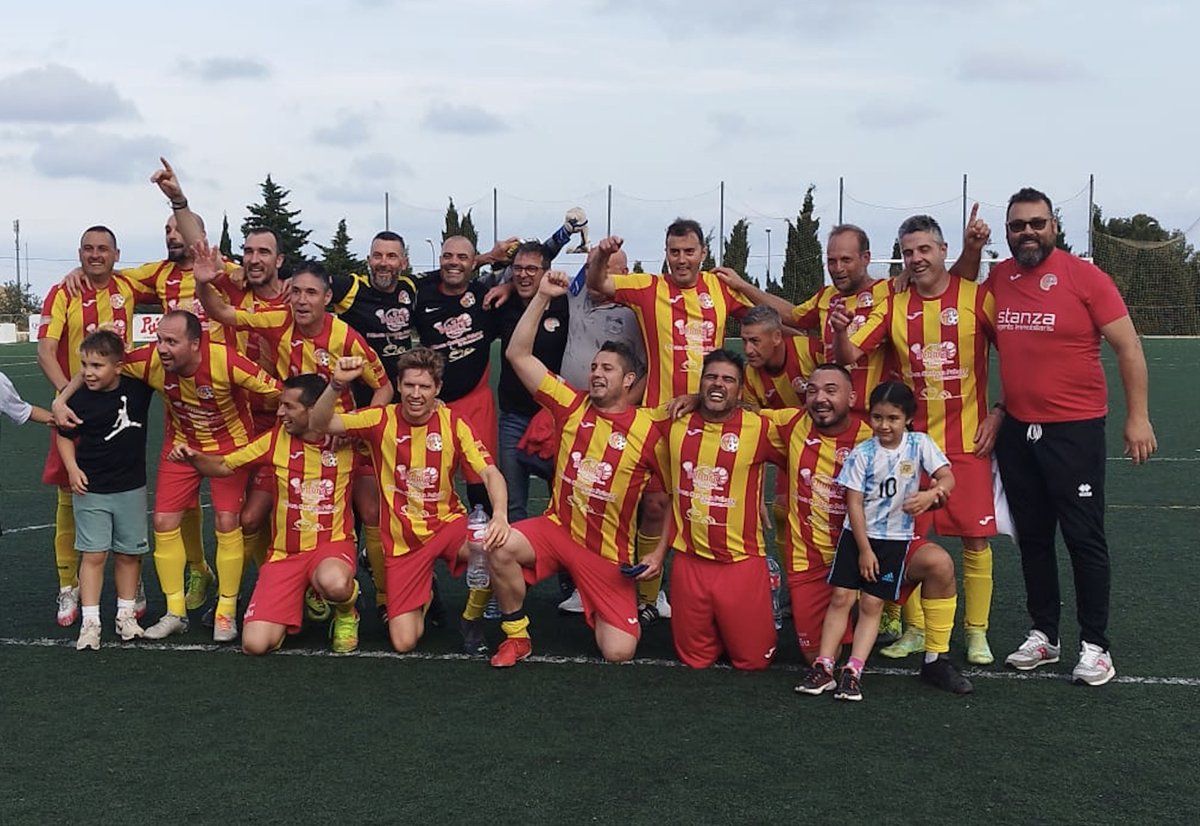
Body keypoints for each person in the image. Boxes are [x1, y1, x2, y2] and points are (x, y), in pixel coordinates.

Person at [991, 187, 1156, 686]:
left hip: (1075, 430)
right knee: (1033, 538)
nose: (1028, 232)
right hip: (1019, 431)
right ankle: (1045, 634)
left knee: (1084, 538)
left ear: (1054, 227)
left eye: (1037, 223)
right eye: (1018, 225)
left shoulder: (1085, 277)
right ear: (1007, 231)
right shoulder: (999, 277)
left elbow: (1128, 347)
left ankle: (1096, 645)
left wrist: (1138, 418)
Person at [833, 214, 1003, 666]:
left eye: (924, 249)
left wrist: (1000, 412)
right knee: (901, 539)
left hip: (966, 442)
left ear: (943, 250)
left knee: (974, 540)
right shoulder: (893, 307)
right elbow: (850, 353)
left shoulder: (976, 297)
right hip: (906, 450)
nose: (916, 258)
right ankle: (914, 628)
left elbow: (1021, 355)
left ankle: (976, 633)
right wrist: (838, 328)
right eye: (908, 252)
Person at [55, 310, 283, 642]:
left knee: (226, 521)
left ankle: (226, 611)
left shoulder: (228, 361)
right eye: (159, 339)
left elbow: (282, 394)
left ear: (195, 344)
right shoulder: (151, 361)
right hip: (180, 447)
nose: (161, 348)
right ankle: (175, 612)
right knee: (162, 522)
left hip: (228, 449)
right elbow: (101, 361)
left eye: (171, 341)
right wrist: (61, 399)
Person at [486, 270, 664, 667]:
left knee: (619, 652)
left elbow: (670, 497)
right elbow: (517, 355)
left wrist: (661, 551)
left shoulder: (650, 430)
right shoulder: (571, 404)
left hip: (605, 552)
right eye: (596, 367)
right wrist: (542, 297)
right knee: (498, 545)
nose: (597, 373)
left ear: (629, 379)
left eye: (608, 369)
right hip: (555, 529)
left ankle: (600, 601)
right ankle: (517, 636)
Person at [587, 221, 752, 624]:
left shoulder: (721, 289)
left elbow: (770, 321)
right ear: (666, 252)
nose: (682, 259)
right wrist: (603, 255)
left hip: (713, 417)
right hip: (661, 418)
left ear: (703, 254)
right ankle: (645, 595)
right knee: (656, 505)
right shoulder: (649, 287)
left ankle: (706, 593)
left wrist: (746, 285)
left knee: (707, 506)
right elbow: (599, 286)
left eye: (689, 251)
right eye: (674, 251)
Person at [309, 349, 510, 654]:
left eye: (425, 387)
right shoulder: (379, 419)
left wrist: (500, 515)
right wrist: (336, 385)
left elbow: (490, 472)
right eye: (410, 386)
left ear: (438, 389)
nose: (416, 394)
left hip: (447, 526)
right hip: (403, 542)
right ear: (399, 386)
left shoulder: (454, 423)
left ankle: (472, 619)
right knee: (404, 642)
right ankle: (425, 591)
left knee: (499, 545)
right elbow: (321, 423)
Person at [796, 381, 972, 699]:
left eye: (892, 418)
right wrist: (863, 549)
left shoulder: (920, 444)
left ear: (907, 418)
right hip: (858, 538)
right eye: (877, 417)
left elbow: (948, 477)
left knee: (872, 603)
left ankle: (853, 671)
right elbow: (853, 502)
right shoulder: (864, 451)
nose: (884, 425)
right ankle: (823, 668)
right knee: (841, 598)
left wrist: (931, 492)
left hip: (895, 539)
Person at [171, 374, 361, 655]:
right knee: (254, 645)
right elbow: (224, 466)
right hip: (285, 555)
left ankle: (347, 613)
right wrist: (193, 457)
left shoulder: (348, 439)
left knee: (334, 583)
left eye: (288, 406)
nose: (280, 412)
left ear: (313, 410)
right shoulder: (275, 440)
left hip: (331, 547)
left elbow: (391, 432)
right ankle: (293, 602)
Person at [640, 349, 785, 671]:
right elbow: (624, 417)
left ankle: (763, 599)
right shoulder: (674, 419)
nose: (718, 385)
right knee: (696, 660)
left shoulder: (760, 426)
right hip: (690, 563)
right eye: (711, 377)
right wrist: (691, 398)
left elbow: (810, 428)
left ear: (740, 388)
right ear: (700, 382)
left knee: (752, 662)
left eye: (728, 380)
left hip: (741, 562)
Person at [37, 225, 147, 626]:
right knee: (71, 492)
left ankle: (130, 584)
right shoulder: (65, 291)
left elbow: (179, 279)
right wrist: (66, 397)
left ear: (117, 254)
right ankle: (68, 585)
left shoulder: (131, 285)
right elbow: (46, 350)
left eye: (103, 249)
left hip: (122, 401)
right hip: (77, 408)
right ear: (78, 253)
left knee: (125, 485)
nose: (95, 255)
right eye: (87, 249)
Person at [757, 364, 873, 664]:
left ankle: (919, 637)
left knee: (936, 565)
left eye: (831, 390)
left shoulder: (872, 437)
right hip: (809, 561)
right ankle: (848, 615)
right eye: (812, 390)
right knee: (818, 657)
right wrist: (694, 399)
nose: (820, 398)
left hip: (861, 556)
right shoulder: (792, 422)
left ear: (852, 397)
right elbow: (738, 413)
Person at [53, 331, 155, 650]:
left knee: (128, 553)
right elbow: (64, 435)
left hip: (131, 487)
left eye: (97, 365)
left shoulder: (138, 389)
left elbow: (153, 357)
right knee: (94, 554)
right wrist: (72, 468)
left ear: (119, 367)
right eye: (84, 364)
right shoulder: (80, 399)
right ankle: (91, 620)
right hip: (91, 488)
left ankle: (126, 616)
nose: (88, 372)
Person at [494, 240, 570, 523]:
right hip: (514, 416)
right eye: (518, 269)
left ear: (545, 273)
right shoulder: (504, 304)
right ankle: (515, 565)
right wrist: (505, 287)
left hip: (555, 418)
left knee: (563, 498)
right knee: (512, 501)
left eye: (531, 269)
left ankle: (564, 565)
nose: (524, 275)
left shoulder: (565, 304)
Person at [328, 231, 418, 407]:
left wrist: (483, 259)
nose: (383, 263)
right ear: (369, 260)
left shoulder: (410, 286)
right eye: (377, 256)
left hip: (402, 395)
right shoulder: (352, 288)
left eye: (391, 256)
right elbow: (312, 280)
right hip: (361, 394)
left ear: (404, 263)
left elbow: (447, 273)